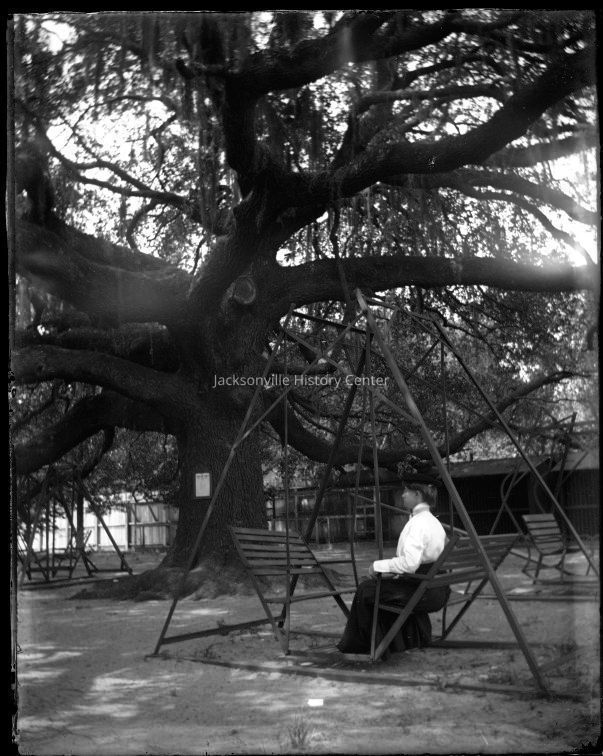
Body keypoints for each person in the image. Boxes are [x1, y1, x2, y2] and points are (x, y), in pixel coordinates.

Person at [337, 483, 450, 656]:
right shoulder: (434, 522)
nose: (403, 495)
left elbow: (410, 564)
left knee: (366, 590)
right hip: (437, 589)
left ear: (417, 494)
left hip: (422, 593)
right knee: (379, 587)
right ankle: (400, 642)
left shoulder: (418, 524)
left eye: (406, 491)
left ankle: (361, 646)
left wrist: (377, 566)